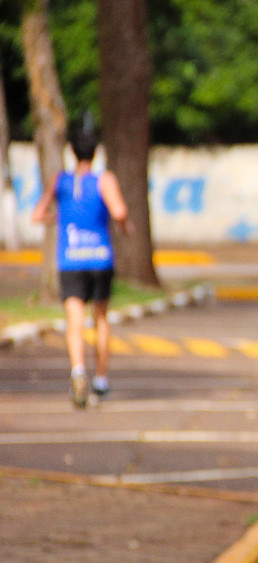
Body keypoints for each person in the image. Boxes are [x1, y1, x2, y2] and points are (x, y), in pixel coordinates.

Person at [31, 126, 130, 408]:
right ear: (96, 151)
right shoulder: (104, 180)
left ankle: (78, 372)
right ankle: (100, 380)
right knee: (100, 318)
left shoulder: (60, 181)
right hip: (100, 258)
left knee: (74, 322)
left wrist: (58, 216)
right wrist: (123, 224)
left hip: (70, 259)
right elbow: (120, 211)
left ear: (72, 151)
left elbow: (37, 215)